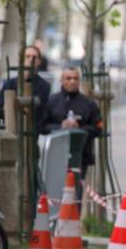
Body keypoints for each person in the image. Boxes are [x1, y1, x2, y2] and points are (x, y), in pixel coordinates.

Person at [41, 67, 102, 200]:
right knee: (56, 193)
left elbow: (98, 127)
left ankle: (75, 220)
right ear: (62, 80)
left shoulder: (88, 103)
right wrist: (59, 127)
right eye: (68, 78)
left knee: (75, 194)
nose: (72, 82)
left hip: (80, 157)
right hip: (56, 156)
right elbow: (42, 126)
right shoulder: (52, 101)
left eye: (75, 78)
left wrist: (79, 128)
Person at [0, 45, 50, 128]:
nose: (30, 59)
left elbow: (39, 110)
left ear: (39, 61)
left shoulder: (44, 86)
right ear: (21, 60)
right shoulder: (9, 83)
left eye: (34, 57)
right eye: (27, 56)